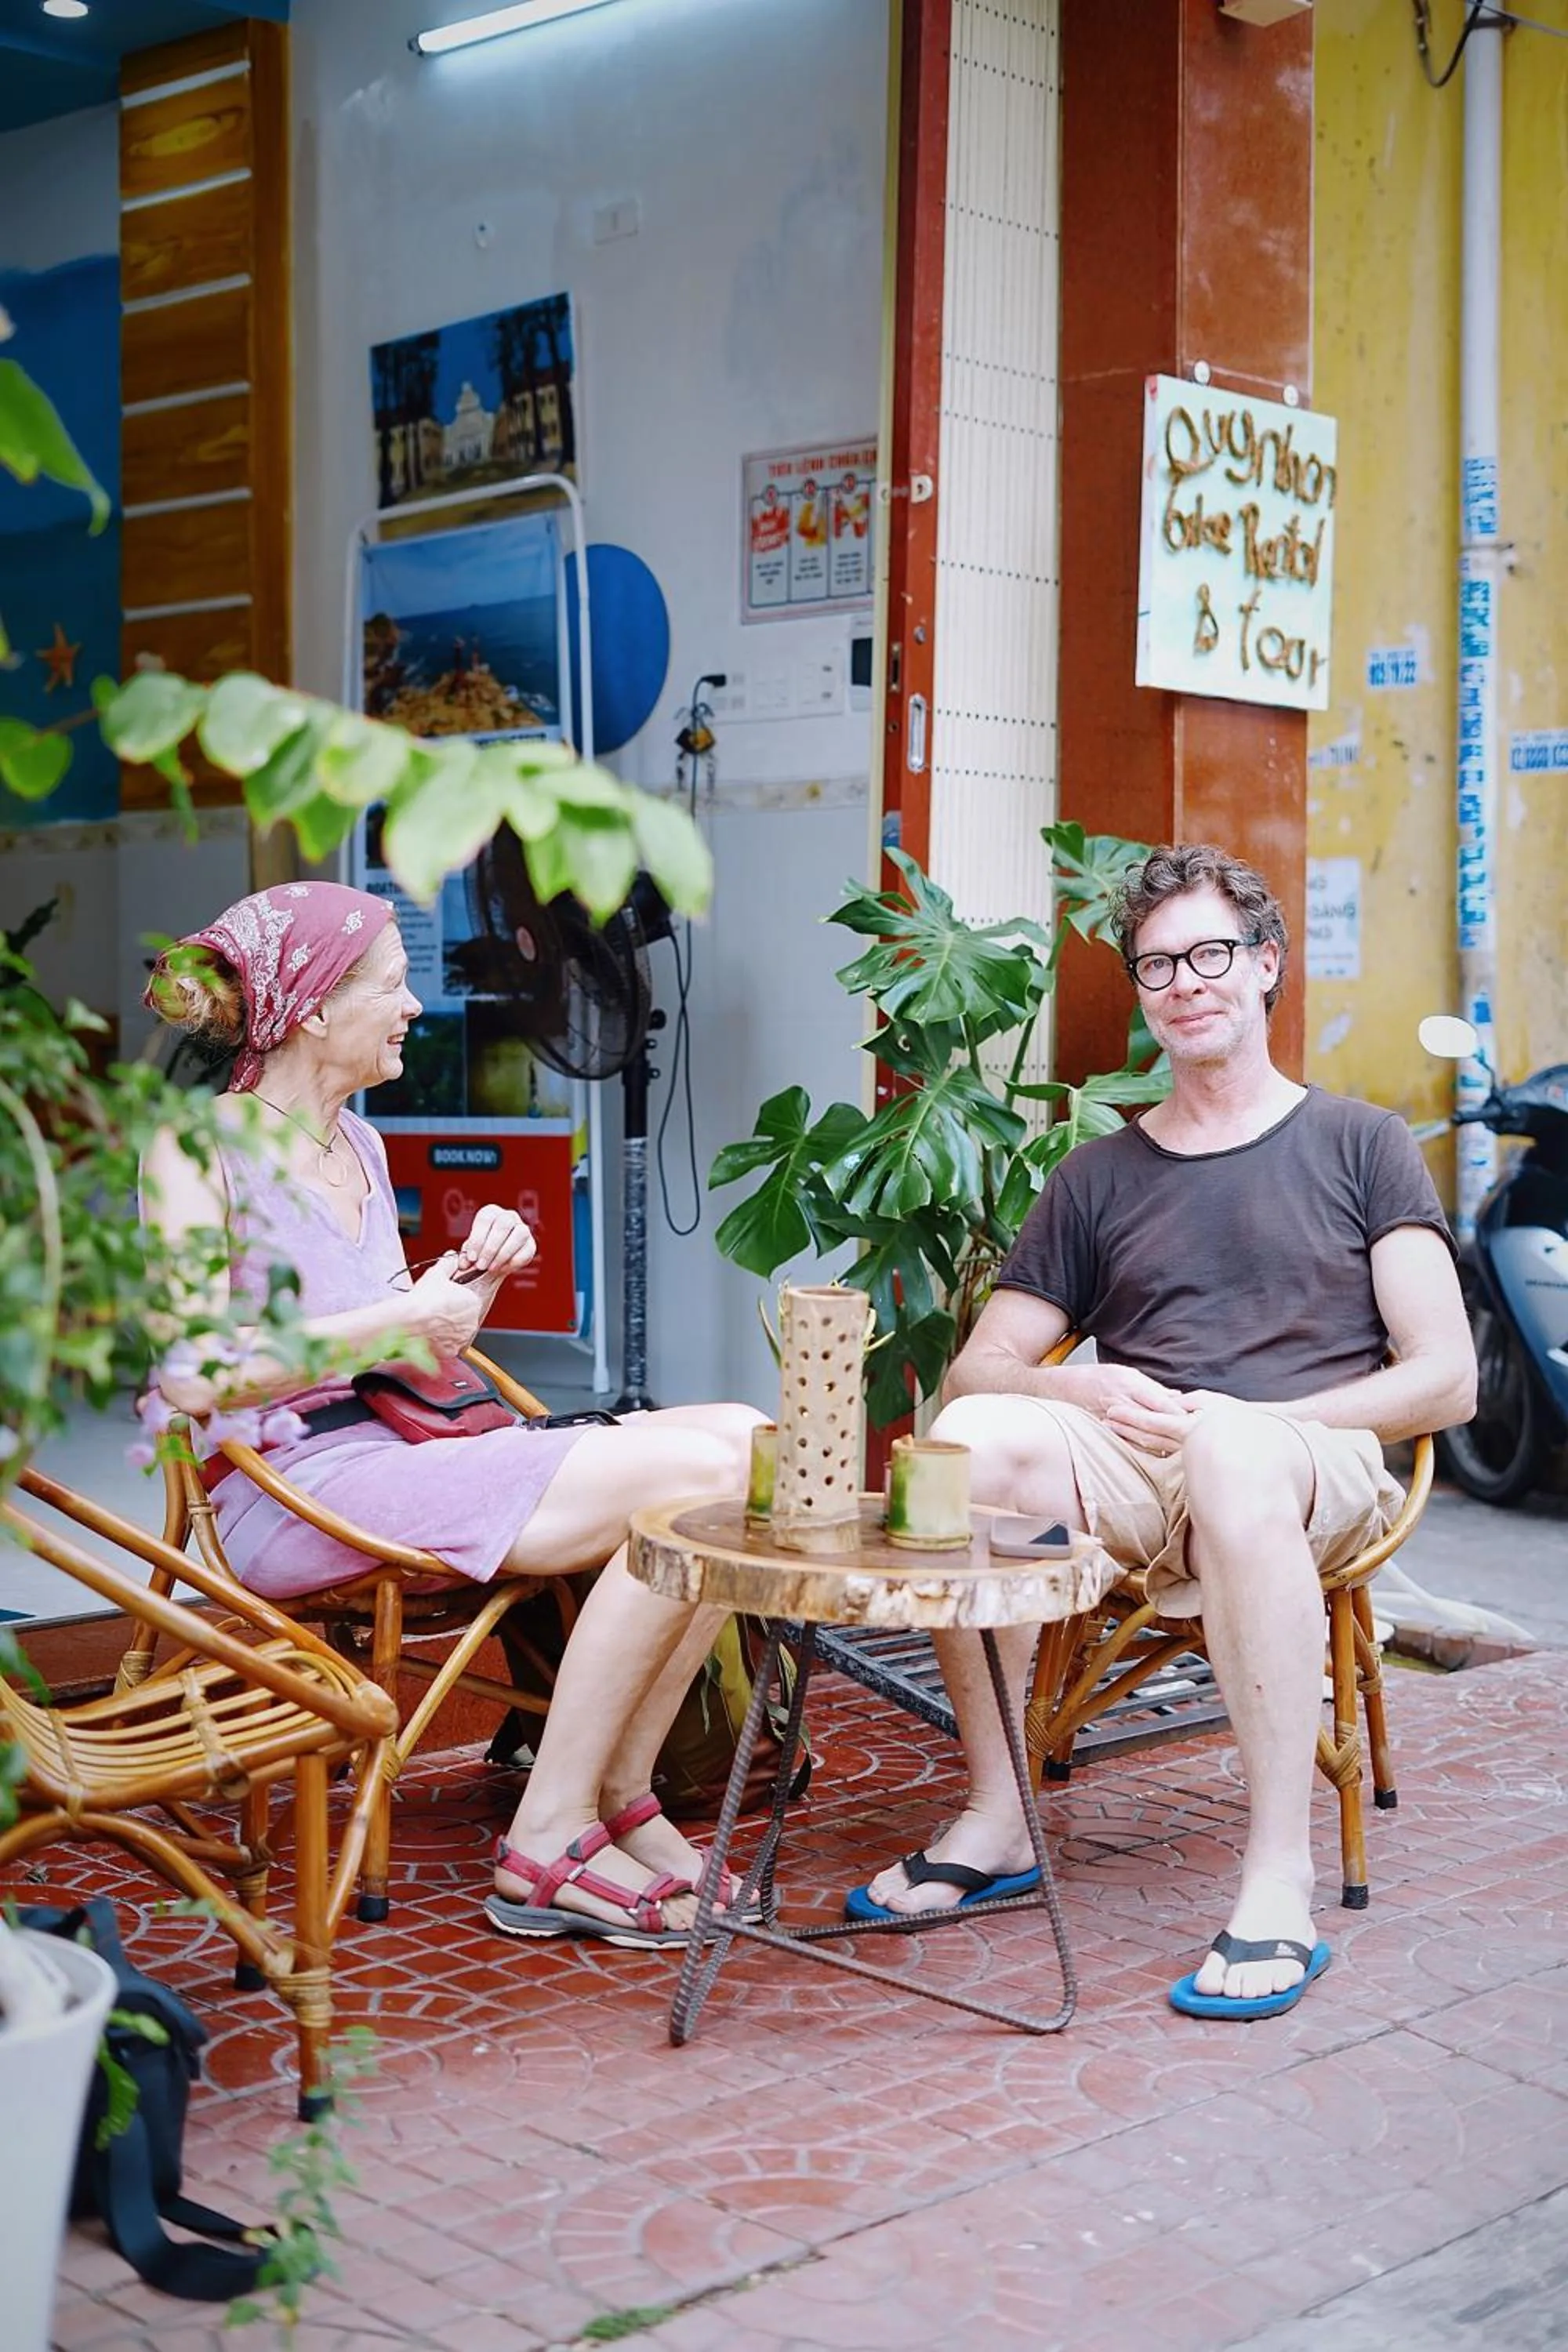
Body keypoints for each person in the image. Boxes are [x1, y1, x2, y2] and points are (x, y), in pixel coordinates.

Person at [848, 843, 1476, 2019]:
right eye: (1156, 964)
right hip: (1140, 1458)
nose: (1185, 982)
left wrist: (1259, 1420)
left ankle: (1277, 1878)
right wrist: (1086, 1391)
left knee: (1234, 1452)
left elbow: (1446, 1378)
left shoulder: (1360, 1142)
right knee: (972, 1436)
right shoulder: (1097, 1176)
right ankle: (998, 1813)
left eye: (1210, 954)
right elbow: (980, 1368)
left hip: (1308, 1453)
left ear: (1267, 964)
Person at [143, 880, 762, 1951]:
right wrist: (399, 1319)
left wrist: (466, 1286)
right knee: (696, 1483)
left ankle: (622, 1795)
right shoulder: (196, 1151)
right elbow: (197, 1375)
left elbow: (404, 1354)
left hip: (404, 1450)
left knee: (751, 1446)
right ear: (313, 1007)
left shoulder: (362, 1145)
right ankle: (548, 1836)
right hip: (293, 1487)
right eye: (391, 986)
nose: (414, 1006)